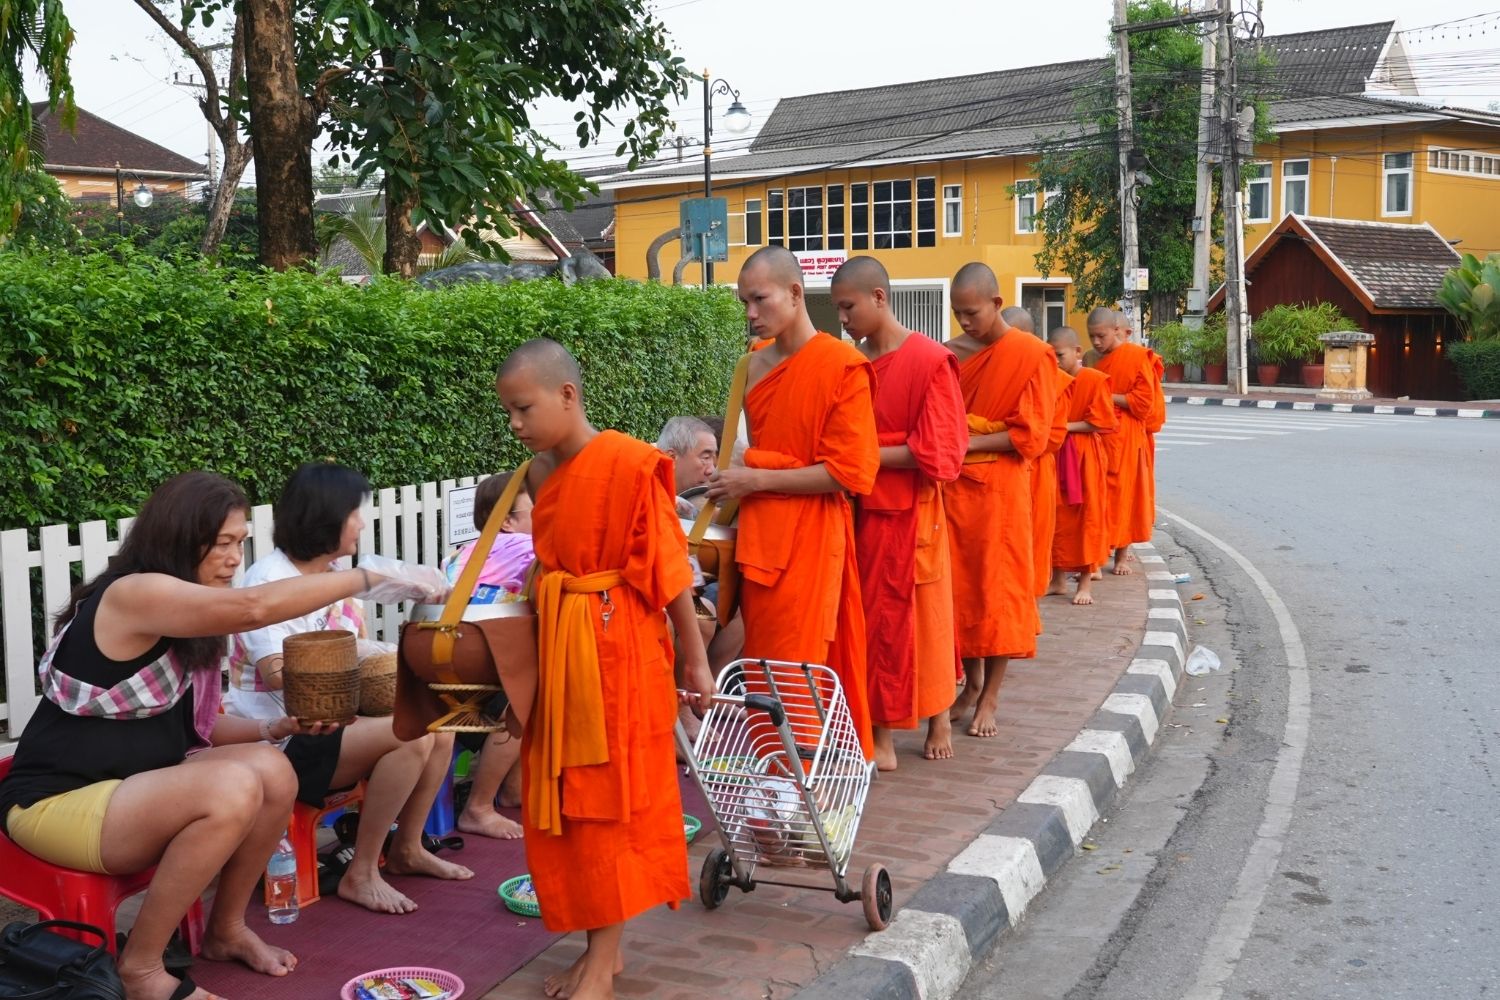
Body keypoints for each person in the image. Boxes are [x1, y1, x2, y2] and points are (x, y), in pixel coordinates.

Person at [0, 472, 430, 1000]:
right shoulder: (136, 593)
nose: (234, 558)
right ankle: (141, 970)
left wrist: (277, 728)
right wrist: (367, 577)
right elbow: (254, 608)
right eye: (222, 543)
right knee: (230, 785)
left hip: (135, 790)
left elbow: (196, 729)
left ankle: (225, 931)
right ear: (179, 538)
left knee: (273, 767)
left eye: (241, 542)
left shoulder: (190, 620)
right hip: (56, 803)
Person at [495, 338, 713, 1000]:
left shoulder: (629, 463)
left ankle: (602, 954)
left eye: (523, 408)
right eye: (507, 412)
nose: (515, 424)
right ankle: (598, 944)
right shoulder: (536, 475)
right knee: (564, 798)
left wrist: (697, 663)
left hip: (620, 655)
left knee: (607, 801)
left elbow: (672, 573)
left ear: (567, 395)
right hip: (562, 650)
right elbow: (546, 570)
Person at [228, 462, 474, 915]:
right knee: (412, 731)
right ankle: (361, 872)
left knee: (441, 720)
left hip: (335, 724)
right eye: (354, 512)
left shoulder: (331, 573)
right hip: (287, 737)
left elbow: (353, 647)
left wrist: (397, 647)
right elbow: (279, 671)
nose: (362, 522)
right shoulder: (269, 581)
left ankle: (407, 848)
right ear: (326, 516)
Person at [707, 245, 880, 760]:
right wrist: (742, 481)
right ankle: (775, 785)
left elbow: (851, 471)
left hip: (811, 536)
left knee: (797, 669)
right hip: (760, 542)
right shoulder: (752, 367)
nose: (750, 313)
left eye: (758, 299)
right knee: (762, 666)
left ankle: (797, 784)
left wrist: (755, 480)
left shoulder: (841, 365)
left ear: (795, 293)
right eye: (744, 302)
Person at [832, 256, 967, 768]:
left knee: (926, 621)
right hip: (863, 511)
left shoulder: (929, 361)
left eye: (848, 307)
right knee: (872, 622)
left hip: (916, 513)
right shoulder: (853, 366)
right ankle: (879, 731)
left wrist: (860, 455)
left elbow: (937, 452)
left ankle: (937, 715)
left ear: (879, 297)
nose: (842, 318)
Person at [944, 263, 1058, 738]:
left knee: (1000, 596)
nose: (965, 322)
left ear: (995, 303)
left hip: (1004, 494)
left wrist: (970, 440)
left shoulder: (1031, 355)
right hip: (953, 491)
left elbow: (1033, 435)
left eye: (971, 312)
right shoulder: (949, 355)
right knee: (963, 593)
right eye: (957, 314)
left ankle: (991, 695)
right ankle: (970, 684)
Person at [445, 470, 535, 841]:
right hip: (472, 666)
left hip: (445, 660)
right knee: (529, 697)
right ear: (510, 521)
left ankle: (513, 790)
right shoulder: (519, 546)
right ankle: (479, 807)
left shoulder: (472, 549)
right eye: (538, 507)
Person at [1001, 306, 1069, 600]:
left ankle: (1026, 612)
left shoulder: (1052, 378)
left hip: (1036, 472)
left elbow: (1052, 436)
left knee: (1031, 543)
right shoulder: (989, 368)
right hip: (997, 474)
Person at [1046, 327, 1117, 605]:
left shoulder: (1093, 380)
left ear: (1077, 352)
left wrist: (1064, 427)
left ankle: (1085, 583)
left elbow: (1101, 421)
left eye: (1059, 355)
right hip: (1058, 453)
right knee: (1058, 518)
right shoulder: (1052, 380)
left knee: (1086, 517)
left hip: (1084, 456)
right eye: (1050, 356)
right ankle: (1058, 579)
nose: (1055, 361)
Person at [1087, 307, 1158, 575]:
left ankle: (1121, 556)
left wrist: (1108, 395)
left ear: (1116, 331)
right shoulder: (1092, 358)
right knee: (1098, 497)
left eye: (1101, 336)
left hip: (1127, 437)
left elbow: (1143, 403)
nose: (1096, 342)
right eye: (1092, 336)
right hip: (1098, 436)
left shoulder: (1136, 357)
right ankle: (1095, 555)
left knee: (1125, 495)